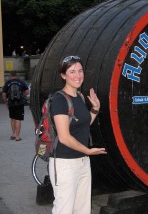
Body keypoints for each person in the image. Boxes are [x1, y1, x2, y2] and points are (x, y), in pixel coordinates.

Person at [49, 55, 107, 214]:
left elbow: (82, 126)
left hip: (82, 162)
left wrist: (95, 109)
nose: (78, 75)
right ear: (63, 75)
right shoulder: (59, 100)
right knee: (64, 210)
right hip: (64, 164)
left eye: (80, 71)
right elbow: (64, 137)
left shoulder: (80, 97)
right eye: (72, 71)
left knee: (82, 209)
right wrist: (88, 150)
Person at [2, 70, 29, 141]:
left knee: (12, 118)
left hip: (11, 103)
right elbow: (27, 91)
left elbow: (4, 94)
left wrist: (6, 102)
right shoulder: (21, 82)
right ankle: (17, 137)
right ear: (16, 75)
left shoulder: (8, 83)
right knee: (18, 119)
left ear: (10, 76)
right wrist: (22, 96)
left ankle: (13, 134)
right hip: (20, 103)